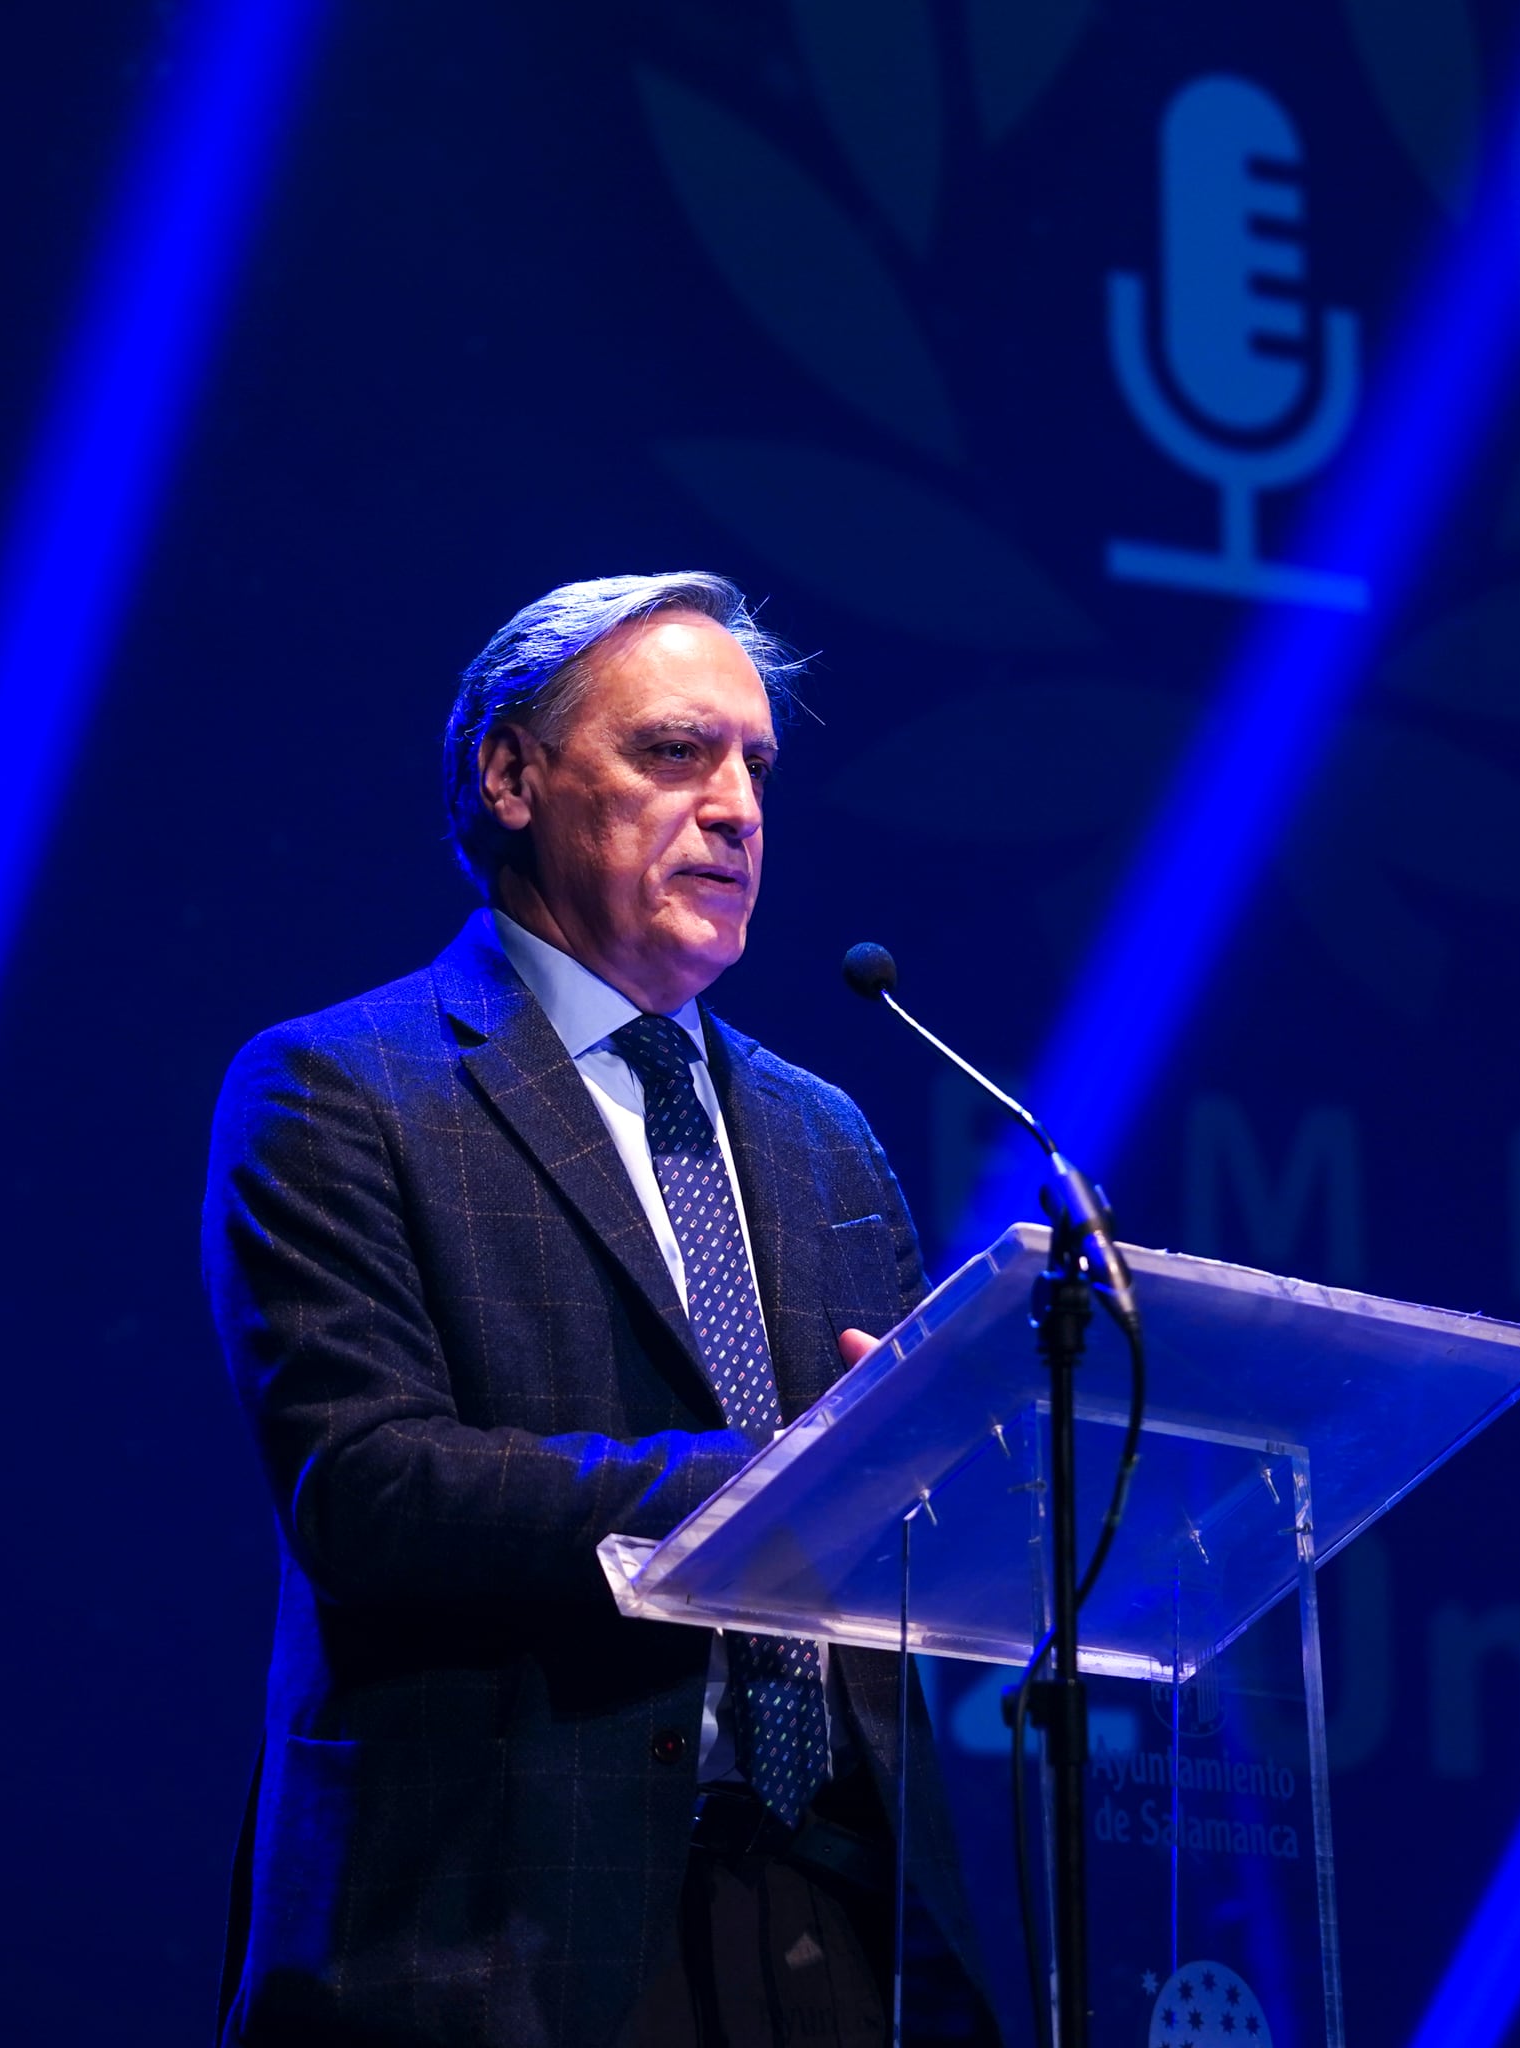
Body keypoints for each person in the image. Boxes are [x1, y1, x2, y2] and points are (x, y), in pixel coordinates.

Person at [202, 573, 1000, 2046]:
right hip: (498, 1933)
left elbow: (892, 1540)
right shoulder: (341, 1091)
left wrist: (954, 1472)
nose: (739, 806)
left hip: (830, 1923)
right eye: (675, 752)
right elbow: (367, 1490)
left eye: (757, 764)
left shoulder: (827, 1137)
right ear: (511, 775)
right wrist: (781, 1481)